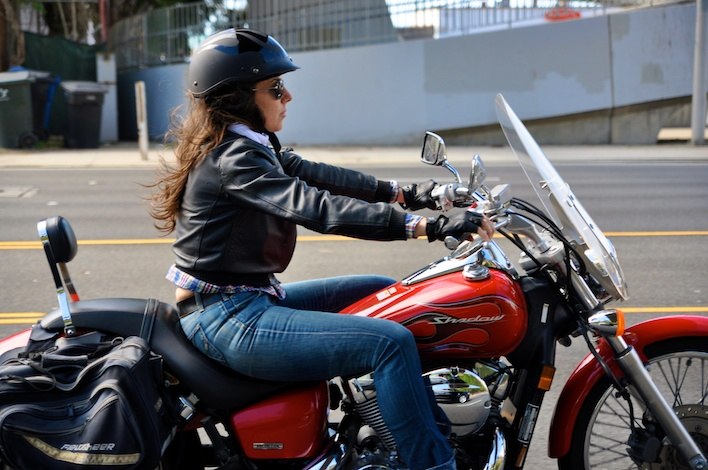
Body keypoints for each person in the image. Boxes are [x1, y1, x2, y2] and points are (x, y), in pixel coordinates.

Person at [150, 28, 494, 470]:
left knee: (389, 293)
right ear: (237, 97)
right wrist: (423, 226)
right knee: (389, 344)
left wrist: (408, 193)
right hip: (227, 318)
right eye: (275, 88)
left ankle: (400, 428)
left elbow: (316, 175)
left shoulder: (249, 146)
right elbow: (314, 207)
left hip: (246, 300)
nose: (287, 96)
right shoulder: (233, 159)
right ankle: (432, 463)